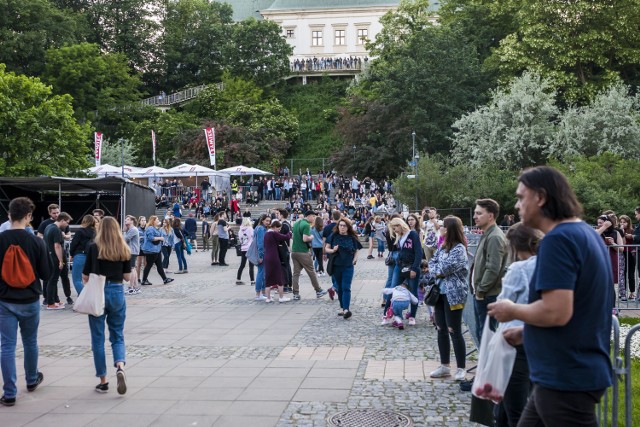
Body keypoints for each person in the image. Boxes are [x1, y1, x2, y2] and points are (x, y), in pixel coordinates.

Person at [488, 166, 614, 427]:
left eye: (522, 197)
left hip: (566, 375)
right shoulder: (584, 233)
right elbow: (578, 307)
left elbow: (556, 311)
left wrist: (512, 310)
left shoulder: (559, 240)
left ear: (541, 198)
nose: (517, 204)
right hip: (567, 371)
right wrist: (527, 331)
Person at [490, 222, 543, 427]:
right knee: (510, 404)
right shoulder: (550, 264)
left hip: (513, 339)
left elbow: (503, 301)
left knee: (516, 407)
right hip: (537, 336)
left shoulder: (519, 268)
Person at [0, 197, 50, 406]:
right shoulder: (37, 242)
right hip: (30, 299)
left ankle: (9, 392)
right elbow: (46, 274)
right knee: (30, 341)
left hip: (4, 300)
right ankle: (31, 379)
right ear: (29, 217)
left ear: (9, 215)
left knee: (7, 346)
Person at [82, 217, 131, 395]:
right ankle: (120, 365)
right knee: (117, 334)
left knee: (97, 337)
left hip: (98, 291)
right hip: (117, 291)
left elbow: (85, 276)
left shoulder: (93, 247)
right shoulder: (123, 247)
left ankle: (103, 380)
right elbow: (127, 277)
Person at [428, 216, 469, 382]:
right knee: (441, 328)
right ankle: (444, 365)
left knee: (454, 330)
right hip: (440, 293)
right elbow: (432, 263)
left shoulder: (459, 249)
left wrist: (438, 270)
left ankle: (461, 367)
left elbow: (445, 268)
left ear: (449, 229)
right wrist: (437, 270)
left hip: (454, 295)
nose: (440, 228)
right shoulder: (443, 247)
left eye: (443, 226)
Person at [471, 198, 508, 342]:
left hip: (487, 295)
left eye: (479, 213)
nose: (475, 216)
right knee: (482, 334)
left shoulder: (494, 237)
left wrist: (480, 291)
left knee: (487, 337)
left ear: (490, 216)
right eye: (475, 213)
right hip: (482, 294)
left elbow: (493, 268)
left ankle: (487, 365)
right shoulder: (488, 233)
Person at [385, 217, 422, 325]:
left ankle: (412, 316)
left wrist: (414, 268)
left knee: (413, 291)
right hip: (399, 266)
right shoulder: (399, 236)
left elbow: (418, 252)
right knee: (393, 289)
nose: (394, 230)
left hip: (411, 266)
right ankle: (389, 315)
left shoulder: (413, 235)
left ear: (400, 225)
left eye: (395, 227)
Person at [325, 217, 362, 319]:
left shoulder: (352, 237)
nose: (342, 227)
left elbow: (357, 250)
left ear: (348, 227)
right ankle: (342, 308)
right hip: (336, 265)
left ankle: (346, 309)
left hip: (348, 265)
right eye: (340, 225)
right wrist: (333, 250)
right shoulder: (333, 236)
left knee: (346, 287)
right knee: (340, 288)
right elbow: (326, 248)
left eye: (344, 226)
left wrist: (355, 259)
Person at [37, 204, 73, 305]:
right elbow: (57, 246)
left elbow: (65, 238)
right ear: (62, 221)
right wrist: (61, 260)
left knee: (56, 278)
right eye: (67, 222)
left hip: (52, 254)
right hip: (54, 256)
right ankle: (50, 302)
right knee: (52, 279)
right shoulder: (52, 227)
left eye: (57, 212)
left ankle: (56, 299)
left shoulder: (49, 227)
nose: (67, 225)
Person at [291, 210, 328, 300]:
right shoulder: (306, 225)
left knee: (296, 273)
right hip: (303, 252)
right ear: (309, 216)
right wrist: (311, 237)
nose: (314, 218)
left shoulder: (296, 224)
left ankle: (295, 293)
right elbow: (305, 239)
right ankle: (318, 290)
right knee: (311, 272)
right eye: (313, 217)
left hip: (294, 251)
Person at [263, 220, 292, 303]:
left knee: (268, 278)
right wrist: (290, 233)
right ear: (275, 227)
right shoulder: (273, 233)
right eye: (278, 229)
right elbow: (285, 237)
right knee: (279, 277)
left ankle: (268, 298)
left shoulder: (266, 234)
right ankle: (281, 297)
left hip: (267, 257)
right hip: (274, 257)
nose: (279, 231)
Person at [140, 216, 174, 286]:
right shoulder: (150, 228)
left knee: (159, 265)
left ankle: (165, 279)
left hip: (156, 250)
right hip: (151, 250)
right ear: (153, 221)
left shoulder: (155, 228)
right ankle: (144, 280)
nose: (159, 220)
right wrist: (160, 238)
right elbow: (151, 238)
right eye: (157, 219)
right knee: (149, 265)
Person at [69, 215, 97, 296]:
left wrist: (71, 254)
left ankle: (84, 298)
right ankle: (91, 297)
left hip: (80, 255)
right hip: (91, 257)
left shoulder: (80, 231)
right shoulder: (95, 232)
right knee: (89, 279)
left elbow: (73, 244)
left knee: (77, 280)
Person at [620, 214, 637, 300]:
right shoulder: (619, 231)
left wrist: (628, 235)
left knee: (631, 273)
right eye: (621, 222)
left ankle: (632, 292)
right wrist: (621, 231)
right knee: (623, 273)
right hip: (623, 253)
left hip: (631, 253)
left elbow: (634, 240)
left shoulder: (632, 230)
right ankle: (623, 292)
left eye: (624, 222)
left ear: (628, 222)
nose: (623, 224)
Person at [254, 214, 270, 300]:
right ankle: (258, 293)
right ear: (262, 220)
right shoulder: (261, 229)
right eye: (266, 221)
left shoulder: (259, 228)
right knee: (261, 273)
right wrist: (260, 256)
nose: (268, 222)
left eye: (269, 221)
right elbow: (260, 243)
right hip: (262, 253)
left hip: (263, 252)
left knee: (263, 273)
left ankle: (263, 292)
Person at [123, 215, 141, 295]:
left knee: (132, 269)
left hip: (132, 251)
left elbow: (125, 239)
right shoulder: (131, 229)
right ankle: (136, 287)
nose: (125, 221)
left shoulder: (133, 230)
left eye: (127, 219)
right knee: (133, 268)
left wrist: (124, 230)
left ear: (132, 221)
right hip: (133, 251)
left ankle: (131, 287)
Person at [236, 218, 255, 286]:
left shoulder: (240, 230)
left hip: (243, 248)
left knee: (242, 264)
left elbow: (240, 238)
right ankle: (252, 281)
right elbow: (253, 236)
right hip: (250, 248)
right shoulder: (250, 229)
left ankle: (238, 279)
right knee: (251, 265)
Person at [135, 216, 147, 284]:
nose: (143, 221)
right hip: (139, 248)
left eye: (144, 220)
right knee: (138, 264)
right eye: (142, 220)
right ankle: (138, 278)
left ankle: (145, 278)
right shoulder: (137, 229)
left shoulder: (147, 229)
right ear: (139, 222)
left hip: (146, 248)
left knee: (146, 264)